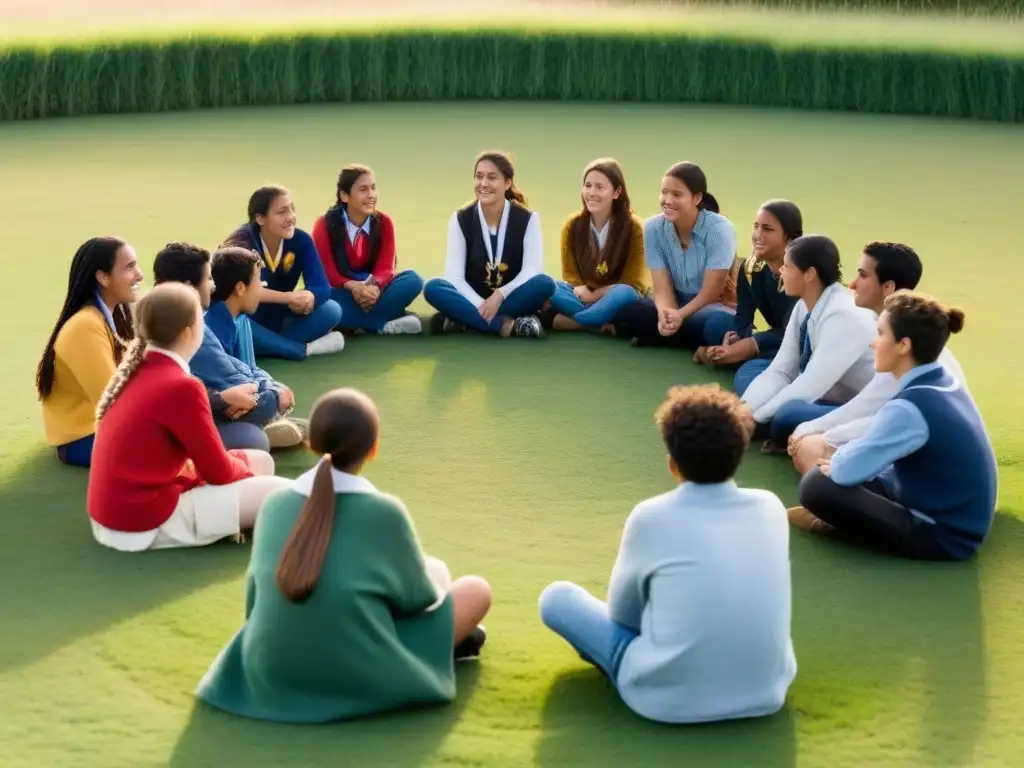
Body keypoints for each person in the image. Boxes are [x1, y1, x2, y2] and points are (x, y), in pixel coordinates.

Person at [195, 387, 492, 723]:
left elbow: (254, 600)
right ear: (374, 448)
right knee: (473, 588)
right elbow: (418, 599)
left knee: (431, 570)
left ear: (311, 442)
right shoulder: (384, 512)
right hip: (358, 669)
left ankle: (436, 641)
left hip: (273, 664)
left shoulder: (275, 505)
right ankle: (435, 649)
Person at [538, 384, 796, 724]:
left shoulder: (651, 516)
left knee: (557, 598)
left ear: (673, 465)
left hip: (666, 701)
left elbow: (623, 616)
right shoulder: (771, 507)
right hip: (766, 692)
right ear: (738, 455)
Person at [789, 291, 997, 561]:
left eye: (881, 334)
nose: (873, 344)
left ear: (903, 345)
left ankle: (833, 527)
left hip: (945, 536)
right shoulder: (939, 377)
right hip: (951, 511)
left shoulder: (910, 407)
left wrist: (837, 461)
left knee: (816, 486)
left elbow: (845, 471)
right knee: (844, 471)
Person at [86, 283, 291, 552]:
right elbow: (219, 472)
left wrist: (242, 467)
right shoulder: (181, 385)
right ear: (189, 332)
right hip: (142, 523)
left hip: (115, 517)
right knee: (289, 496)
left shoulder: (137, 368)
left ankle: (232, 522)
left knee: (262, 461)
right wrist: (244, 470)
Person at [787, 241, 967, 474]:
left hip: (927, 471)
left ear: (888, 287)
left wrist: (816, 434)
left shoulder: (909, 353)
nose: (852, 284)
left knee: (804, 441)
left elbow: (884, 418)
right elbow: (872, 409)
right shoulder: (906, 339)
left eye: (862, 275)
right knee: (805, 436)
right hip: (905, 438)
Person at [153, 242, 306, 453]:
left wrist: (265, 390)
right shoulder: (193, 331)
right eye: (208, 279)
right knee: (255, 438)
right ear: (189, 287)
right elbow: (243, 393)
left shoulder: (180, 322)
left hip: (200, 410)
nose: (213, 286)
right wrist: (276, 396)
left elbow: (244, 371)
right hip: (176, 429)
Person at [740, 234, 876, 451]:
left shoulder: (844, 315)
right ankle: (762, 422)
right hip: (822, 395)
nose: (781, 271)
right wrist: (742, 411)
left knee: (788, 414)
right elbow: (781, 370)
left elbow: (810, 386)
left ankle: (769, 426)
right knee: (750, 378)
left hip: (860, 406)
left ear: (810, 274)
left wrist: (754, 420)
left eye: (787, 266)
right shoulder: (804, 304)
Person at [423, 151, 554, 339]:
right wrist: (481, 305)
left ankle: (464, 320)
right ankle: (507, 325)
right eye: (479, 176)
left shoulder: (528, 219)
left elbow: (532, 269)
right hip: (472, 297)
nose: (483, 184)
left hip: (509, 298)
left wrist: (499, 295)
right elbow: (455, 277)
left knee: (545, 284)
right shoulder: (460, 219)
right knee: (433, 288)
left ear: (507, 183)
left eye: (492, 177)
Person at [37, 236, 142, 468]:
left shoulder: (116, 314)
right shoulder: (84, 327)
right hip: (82, 438)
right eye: (129, 267)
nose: (139, 275)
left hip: (101, 427)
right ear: (103, 277)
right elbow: (115, 400)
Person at [613, 162, 738, 349]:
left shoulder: (720, 229)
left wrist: (680, 316)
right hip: (676, 301)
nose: (667, 200)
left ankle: (663, 337)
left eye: (677, 194)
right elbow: (661, 286)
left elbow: (711, 292)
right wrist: (667, 314)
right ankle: (681, 337)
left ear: (696, 198)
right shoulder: (652, 228)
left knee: (718, 326)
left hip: (710, 306)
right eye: (664, 192)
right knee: (633, 312)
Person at [222, 185, 344, 360]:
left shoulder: (301, 240)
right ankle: (301, 349)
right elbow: (246, 291)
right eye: (281, 212)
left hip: (277, 316)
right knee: (235, 323)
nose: (291, 218)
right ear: (260, 218)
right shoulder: (240, 244)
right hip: (244, 316)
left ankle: (263, 346)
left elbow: (321, 286)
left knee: (332, 310)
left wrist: (310, 296)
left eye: (292, 209)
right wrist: (289, 297)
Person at [693, 200, 802, 395]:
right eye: (756, 227)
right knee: (717, 324)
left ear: (788, 237)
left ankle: (744, 363)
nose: (758, 235)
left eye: (767, 229)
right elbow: (743, 315)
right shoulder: (751, 268)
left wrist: (752, 344)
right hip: (774, 337)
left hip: (799, 345)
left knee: (746, 376)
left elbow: (791, 334)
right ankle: (732, 355)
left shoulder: (801, 275)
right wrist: (735, 338)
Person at [311, 164, 424, 335]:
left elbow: (386, 268)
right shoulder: (324, 225)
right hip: (342, 291)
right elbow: (327, 274)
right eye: (363, 189)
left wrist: (373, 288)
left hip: (375, 292)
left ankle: (356, 322)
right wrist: (354, 287)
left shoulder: (384, 222)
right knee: (321, 301)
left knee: (413, 280)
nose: (371, 195)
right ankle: (381, 323)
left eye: (373, 188)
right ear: (344, 195)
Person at [540, 158, 648, 332]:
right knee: (546, 285)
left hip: (616, 296)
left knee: (625, 294)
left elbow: (634, 282)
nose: (591, 192)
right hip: (581, 295)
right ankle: (602, 324)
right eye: (588, 186)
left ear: (617, 192)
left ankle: (581, 321)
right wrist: (585, 292)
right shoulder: (572, 225)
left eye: (600, 187)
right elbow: (571, 277)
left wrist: (599, 293)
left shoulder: (635, 227)